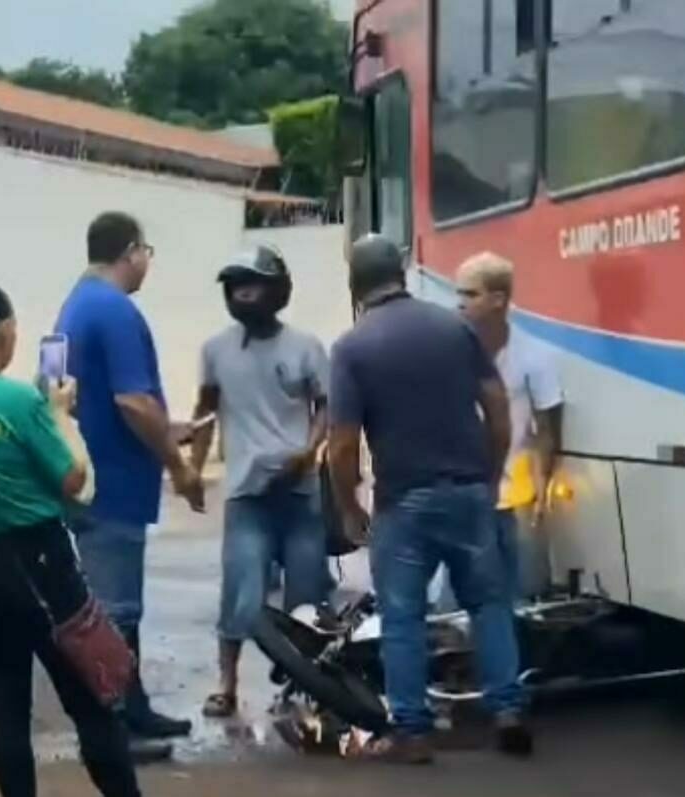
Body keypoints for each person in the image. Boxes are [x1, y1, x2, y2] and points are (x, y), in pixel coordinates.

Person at [0, 281, 189, 797]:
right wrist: (62, 414)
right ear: (3, 329)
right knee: (91, 701)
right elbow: (73, 482)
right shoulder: (21, 401)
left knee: (8, 706)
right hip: (38, 567)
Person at [327, 234, 531, 763]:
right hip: (467, 492)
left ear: (357, 283)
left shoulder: (352, 347)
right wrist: (488, 477)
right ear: (400, 273)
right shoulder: (455, 326)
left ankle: (414, 732)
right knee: (488, 603)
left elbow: (342, 444)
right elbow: (497, 408)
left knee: (403, 616)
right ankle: (507, 709)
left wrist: (349, 506)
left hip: (405, 503)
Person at [56, 212, 196, 742]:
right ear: (132, 251)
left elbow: (56, 392)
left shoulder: (70, 308)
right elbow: (133, 402)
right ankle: (114, 726)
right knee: (115, 610)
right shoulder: (115, 311)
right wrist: (179, 467)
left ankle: (133, 708)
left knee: (115, 605)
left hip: (84, 478)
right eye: (147, 254)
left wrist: (169, 427)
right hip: (113, 483)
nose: (147, 266)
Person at [189, 245, 330, 718]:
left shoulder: (306, 347)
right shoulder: (215, 350)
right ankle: (226, 684)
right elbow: (205, 410)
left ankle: (303, 686)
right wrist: (191, 467)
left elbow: (326, 405)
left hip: (300, 492)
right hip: (247, 495)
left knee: (306, 599)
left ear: (277, 290)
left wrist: (309, 452)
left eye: (251, 285)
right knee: (241, 593)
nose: (242, 295)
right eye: (235, 287)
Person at [456, 252, 564, 601]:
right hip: (460, 495)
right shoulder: (449, 349)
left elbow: (547, 429)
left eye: (471, 295)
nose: (460, 304)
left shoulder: (534, 356)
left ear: (498, 300)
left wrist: (542, 487)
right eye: (460, 294)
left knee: (515, 595)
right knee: (459, 601)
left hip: (511, 498)